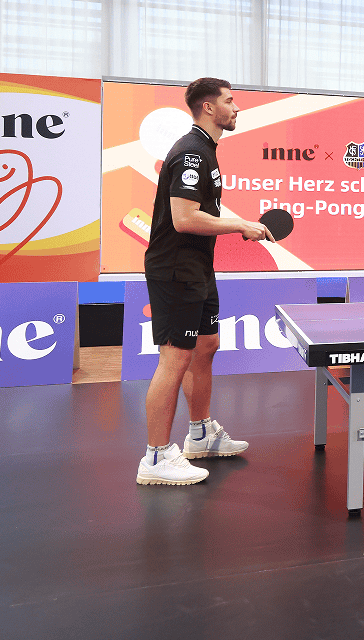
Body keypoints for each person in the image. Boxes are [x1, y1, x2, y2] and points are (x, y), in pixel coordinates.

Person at [138, 78, 271, 486]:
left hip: (197, 266)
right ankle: (156, 457)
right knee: (175, 358)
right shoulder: (192, 153)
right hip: (175, 269)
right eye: (230, 101)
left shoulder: (206, 149)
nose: (236, 107)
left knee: (206, 345)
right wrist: (241, 225)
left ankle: (200, 434)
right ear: (209, 108)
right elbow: (184, 218)